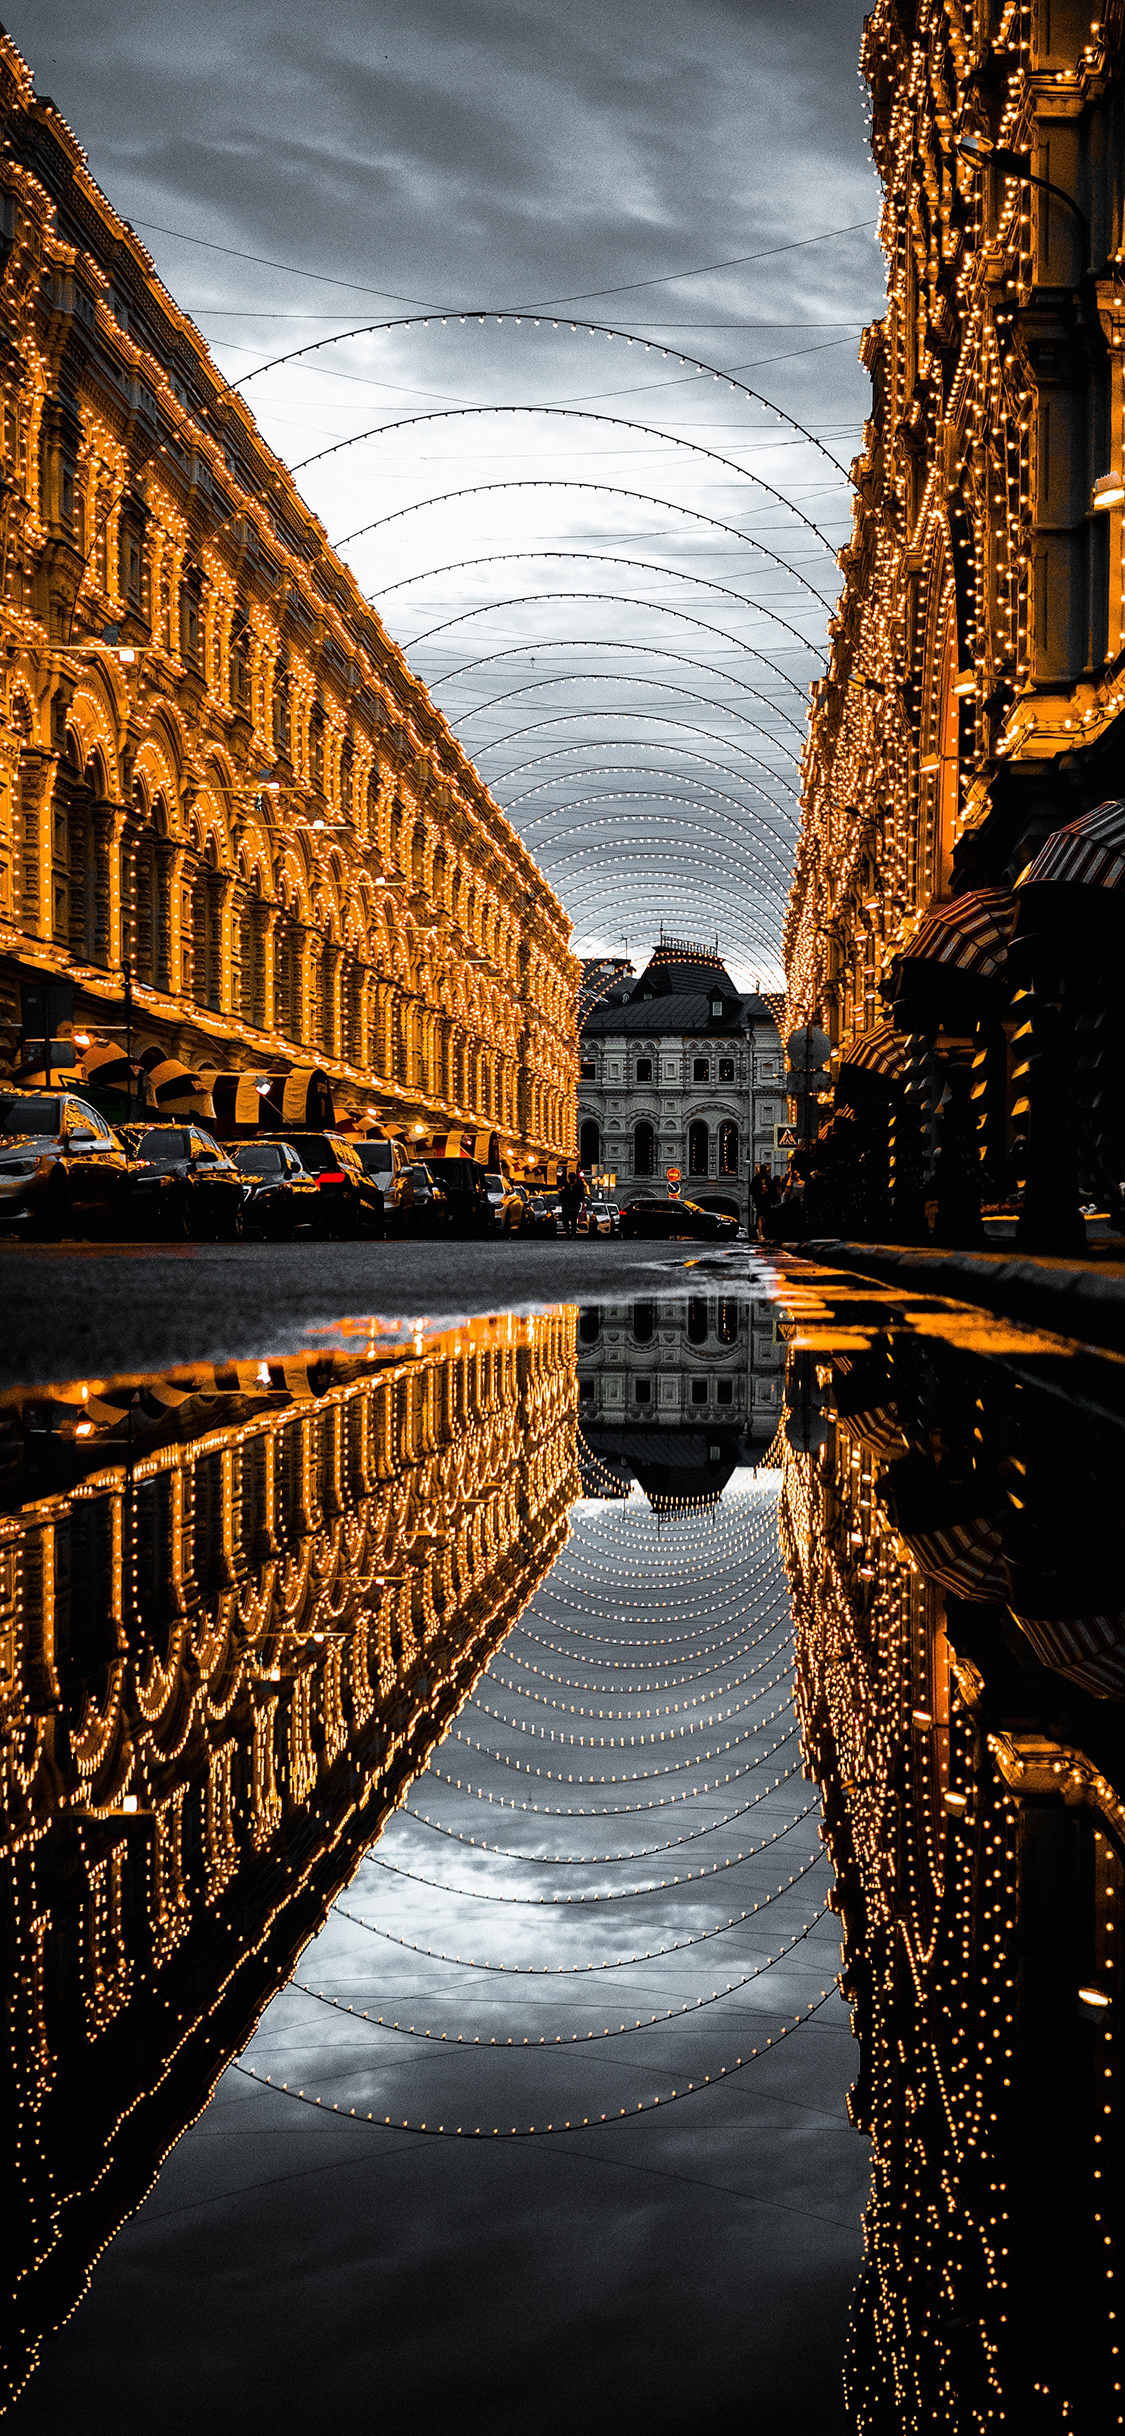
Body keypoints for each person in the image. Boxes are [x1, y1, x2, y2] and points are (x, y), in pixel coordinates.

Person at [750, 1163, 773, 1241]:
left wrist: (768, 1191)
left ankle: (760, 1230)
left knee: (765, 1216)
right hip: (760, 1200)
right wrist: (760, 1193)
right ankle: (760, 1232)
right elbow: (752, 1190)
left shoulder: (768, 1178)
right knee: (760, 1216)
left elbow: (772, 1188)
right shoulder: (756, 1179)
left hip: (766, 1200)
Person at [560, 1169, 586, 1238]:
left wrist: (579, 1200)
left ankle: (573, 1233)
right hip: (566, 1205)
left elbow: (581, 1195)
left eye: (572, 1178)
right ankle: (568, 1233)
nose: (571, 1179)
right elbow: (562, 1194)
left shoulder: (578, 1186)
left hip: (574, 1206)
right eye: (570, 1178)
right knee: (565, 1220)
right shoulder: (566, 1186)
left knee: (573, 1220)